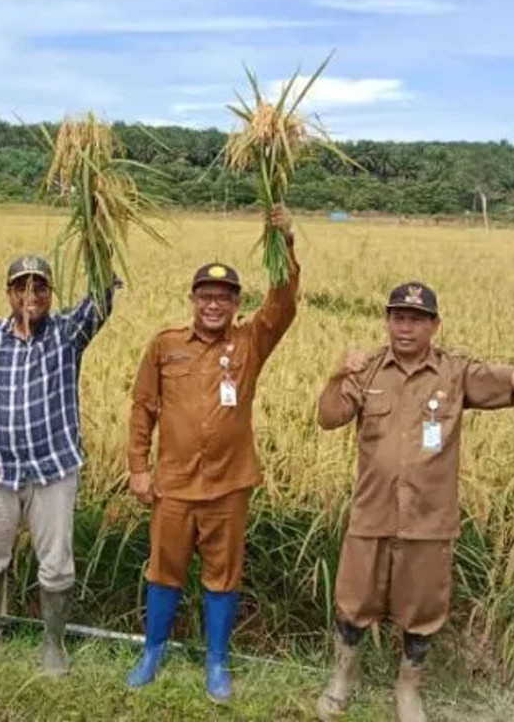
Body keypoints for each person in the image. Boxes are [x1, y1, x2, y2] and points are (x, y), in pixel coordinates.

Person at [313, 281, 514, 722]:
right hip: (371, 514)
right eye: (398, 317)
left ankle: (409, 689)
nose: (405, 327)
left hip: (429, 521)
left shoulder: (456, 372)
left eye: (416, 319)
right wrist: (336, 373)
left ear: (435, 325)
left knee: (422, 610)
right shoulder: (366, 369)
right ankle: (342, 677)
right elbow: (328, 418)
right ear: (388, 321)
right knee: (353, 600)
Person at [125, 205, 299, 704]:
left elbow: (283, 304)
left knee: (224, 574)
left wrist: (284, 241)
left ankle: (217, 660)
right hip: (174, 485)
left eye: (224, 298)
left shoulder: (250, 343)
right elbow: (143, 407)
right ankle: (153, 652)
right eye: (206, 296)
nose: (214, 305)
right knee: (164, 570)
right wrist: (138, 468)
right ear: (193, 300)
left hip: (228, 485)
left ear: (237, 303)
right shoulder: (165, 345)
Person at [0, 255, 116, 676]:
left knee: (57, 560)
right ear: (8, 293)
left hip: (53, 470)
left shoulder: (66, 333)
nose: (31, 296)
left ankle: (53, 644)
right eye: (21, 287)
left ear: (51, 292)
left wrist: (97, 225)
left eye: (40, 287)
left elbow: (100, 297)